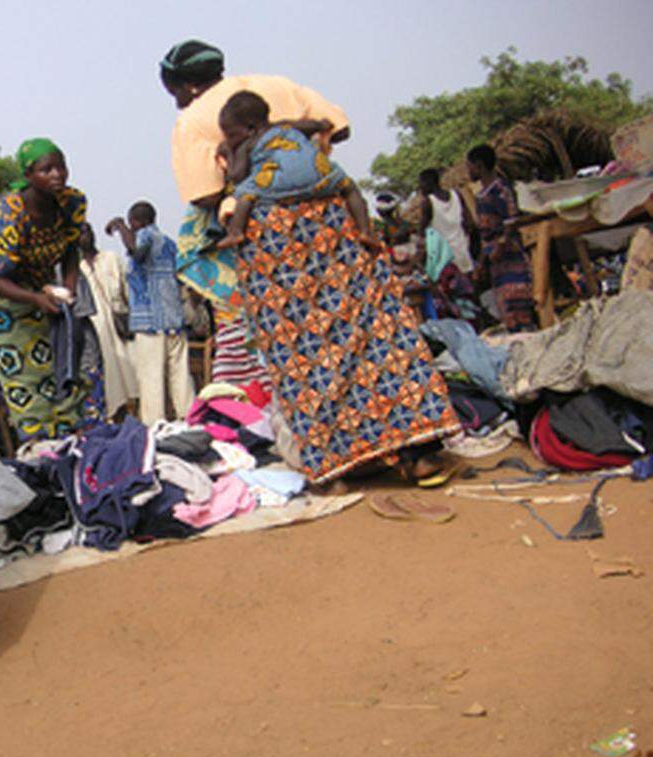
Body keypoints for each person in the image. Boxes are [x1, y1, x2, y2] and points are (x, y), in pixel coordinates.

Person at [218, 94, 462, 485]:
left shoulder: (244, 154)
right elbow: (325, 132)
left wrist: (229, 153)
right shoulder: (303, 148)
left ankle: (342, 461)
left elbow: (234, 184)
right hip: (337, 235)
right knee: (377, 331)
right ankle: (417, 451)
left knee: (304, 353)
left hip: (277, 249)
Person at [161, 39, 349, 391]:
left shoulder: (194, 120)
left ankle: (265, 397)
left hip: (266, 233)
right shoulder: (278, 85)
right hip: (326, 217)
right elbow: (341, 128)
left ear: (188, 85)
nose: (178, 103)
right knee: (331, 317)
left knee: (271, 324)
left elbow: (204, 195)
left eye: (175, 93)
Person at [0, 137, 101, 440]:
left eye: (61, 166)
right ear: (28, 176)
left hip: (41, 286)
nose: (57, 174)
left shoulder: (72, 203)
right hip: (5, 294)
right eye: (47, 169)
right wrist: (34, 299)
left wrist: (68, 289)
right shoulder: (10, 213)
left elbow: (71, 250)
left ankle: (65, 436)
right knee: (23, 373)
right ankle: (37, 444)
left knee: (55, 362)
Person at [215, 91, 358, 249]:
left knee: (243, 194)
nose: (229, 140)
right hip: (318, 176)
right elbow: (310, 126)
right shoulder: (284, 125)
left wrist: (228, 152)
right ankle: (366, 231)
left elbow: (237, 176)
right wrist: (322, 125)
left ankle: (235, 233)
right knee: (349, 187)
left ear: (250, 128)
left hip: (282, 181)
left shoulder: (247, 143)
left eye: (230, 135)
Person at [105, 202, 194, 424]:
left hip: (150, 323)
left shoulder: (144, 235)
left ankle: (154, 425)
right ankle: (190, 419)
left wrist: (120, 226)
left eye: (131, 222)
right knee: (181, 376)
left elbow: (136, 251)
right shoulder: (170, 244)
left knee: (150, 377)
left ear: (137, 221)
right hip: (173, 318)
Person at [466, 144, 536, 332]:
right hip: (496, 260)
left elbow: (512, 220)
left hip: (510, 254)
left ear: (479, 166)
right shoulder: (481, 195)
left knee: (517, 300)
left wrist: (501, 245)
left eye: (470, 166)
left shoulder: (500, 189)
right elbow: (484, 235)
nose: (468, 171)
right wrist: (482, 261)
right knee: (505, 305)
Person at [78, 222, 138, 417]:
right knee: (106, 381)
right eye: (80, 233)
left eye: (88, 231)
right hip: (95, 332)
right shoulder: (77, 270)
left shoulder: (111, 258)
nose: (84, 236)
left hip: (119, 329)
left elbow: (128, 292)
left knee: (131, 379)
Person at [418, 168, 473, 274]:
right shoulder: (456, 195)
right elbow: (469, 222)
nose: (420, 188)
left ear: (427, 183)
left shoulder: (428, 202)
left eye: (421, 184)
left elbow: (421, 232)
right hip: (463, 251)